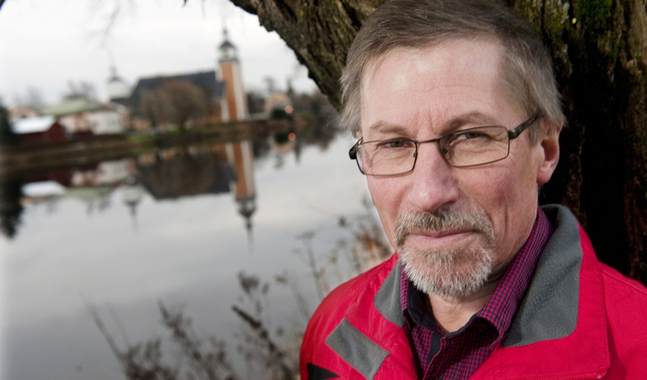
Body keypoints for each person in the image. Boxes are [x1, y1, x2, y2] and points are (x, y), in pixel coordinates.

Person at [299, 0, 647, 379]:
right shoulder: (331, 332)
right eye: (394, 144)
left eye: (470, 136)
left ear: (544, 150)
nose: (429, 194)